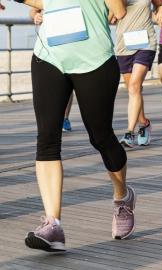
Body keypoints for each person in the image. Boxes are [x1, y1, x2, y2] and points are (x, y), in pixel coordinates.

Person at [13, 0, 136, 252]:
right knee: (47, 138)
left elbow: (120, 11)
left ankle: (122, 196)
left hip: (94, 59)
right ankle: (53, 225)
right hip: (49, 57)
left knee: (100, 136)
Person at [114, 0, 162, 148]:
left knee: (134, 86)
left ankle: (129, 132)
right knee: (134, 90)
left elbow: (158, 4)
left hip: (146, 42)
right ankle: (144, 123)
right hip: (123, 45)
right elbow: (109, 18)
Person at [30, 8, 74, 132]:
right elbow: (33, 11)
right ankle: (52, 120)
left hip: (72, 41)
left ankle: (65, 118)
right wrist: (36, 16)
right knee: (48, 85)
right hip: (49, 44)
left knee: (68, 81)